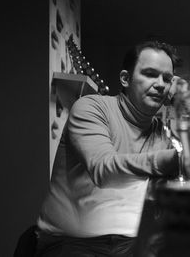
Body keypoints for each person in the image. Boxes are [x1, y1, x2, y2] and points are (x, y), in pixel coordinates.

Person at [35, 41, 180, 256]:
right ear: (125, 79)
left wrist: (184, 100)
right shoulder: (91, 107)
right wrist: (176, 160)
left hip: (131, 242)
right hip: (71, 242)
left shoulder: (162, 132)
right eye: (150, 74)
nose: (160, 84)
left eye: (167, 79)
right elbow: (104, 170)